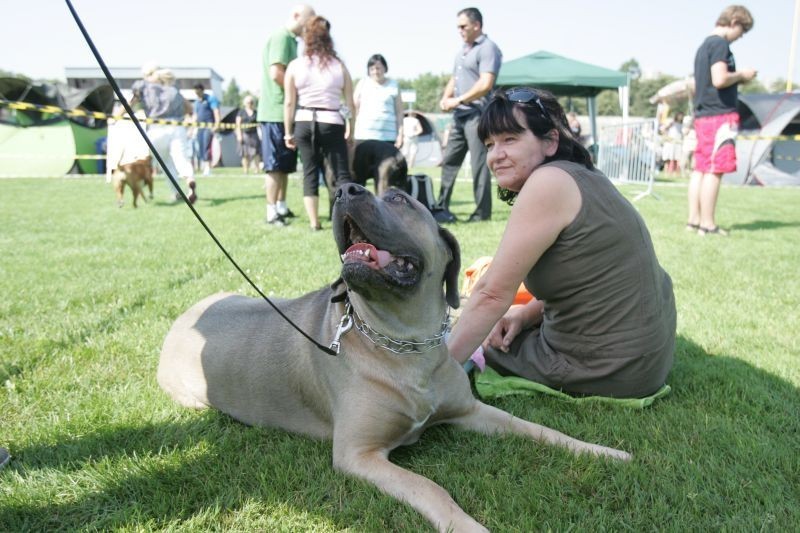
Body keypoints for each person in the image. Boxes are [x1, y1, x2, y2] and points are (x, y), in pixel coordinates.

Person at [447, 87, 676, 399]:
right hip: (647, 361)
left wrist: (436, 375)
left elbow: (490, 294)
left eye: (510, 139)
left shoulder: (547, 183)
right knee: (498, 322)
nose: (495, 155)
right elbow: (589, 281)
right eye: (489, 144)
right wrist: (524, 314)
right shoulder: (584, 176)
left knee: (480, 339)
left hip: (609, 369)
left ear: (551, 140)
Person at [688, 5, 756, 236]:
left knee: (700, 168)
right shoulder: (719, 45)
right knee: (715, 169)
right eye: (743, 31)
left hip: (703, 114)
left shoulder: (703, 46)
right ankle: (708, 224)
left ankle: (694, 221)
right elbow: (720, 79)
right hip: (719, 115)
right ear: (735, 21)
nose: (741, 37)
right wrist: (742, 76)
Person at [284, 15, 355, 231]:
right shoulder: (339, 66)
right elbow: (350, 102)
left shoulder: (295, 66)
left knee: (309, 172)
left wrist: (288, 132)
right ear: (328, 38)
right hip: (332, 121)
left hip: (304, 121)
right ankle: (348, 219)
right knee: (341, 173)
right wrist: (351, 128)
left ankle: (315, 223)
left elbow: (289, 102)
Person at [434, 7, 502, 223]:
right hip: (459, 116)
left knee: (479, 165)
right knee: (449, 162)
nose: (460, 30)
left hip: (478, 115)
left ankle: (482, 213)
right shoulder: (462, 51)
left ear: (477, 25)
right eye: (458, 27)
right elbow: (454, 80)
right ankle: (441, 208)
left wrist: (459, 100)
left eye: (463, 26)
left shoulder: (488, 48)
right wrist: (446, 98)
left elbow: (486, 83)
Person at [258, 4, 316, 227]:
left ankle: (281, 206)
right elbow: (276, 73)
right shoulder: (281, 37)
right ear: (296, 16)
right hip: (275, 110)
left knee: (283, 164)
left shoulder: (291, 40)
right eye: (308, 21)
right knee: (274, 166)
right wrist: (297, 93)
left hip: (285, 112)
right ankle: (271, 212)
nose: (310, 28)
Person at [131, 65, 197, 204]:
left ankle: (176, 192)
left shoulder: (144, 87)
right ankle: (189, 180)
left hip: (156, 129)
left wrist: (114, 117)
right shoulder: (173, 90)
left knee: (165, 164)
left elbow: (130, 103)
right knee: (181, 158)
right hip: (176, 126)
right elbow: (189, 108)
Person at [353, 54, 404, 147]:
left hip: (388, 137)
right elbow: (354, 109)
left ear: (385, 68)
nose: (375, 72)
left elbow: (399, 112)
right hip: (363, 136)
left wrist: (400, 135)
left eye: (378, 68)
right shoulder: (362, 83)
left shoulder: (394, 85)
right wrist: (350, 131)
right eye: (372, 69)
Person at [192, 83, 221, 177]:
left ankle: (208, 167)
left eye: (198, 92)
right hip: (200, 127)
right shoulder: (196, 102)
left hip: (209, 126)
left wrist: (217, 124)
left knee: (206, 145)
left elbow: (216, 111)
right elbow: (195, 115)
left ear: (202, 90)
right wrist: (192, 127)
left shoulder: (210, 99)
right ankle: (205, 166)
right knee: (200, 147)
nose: (197, 94)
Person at [235, 95, 262, 174]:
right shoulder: (241, 112)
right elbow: (237, 124)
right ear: (245, 103)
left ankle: (257, 169)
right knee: (245, 154)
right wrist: (239, 135)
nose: (250, 104)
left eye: (251, 102)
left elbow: (259, 124)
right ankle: (245, 170)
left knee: (256, 153)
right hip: (244, 134)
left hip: (254, 135)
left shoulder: (256, 112)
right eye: (248, 102)